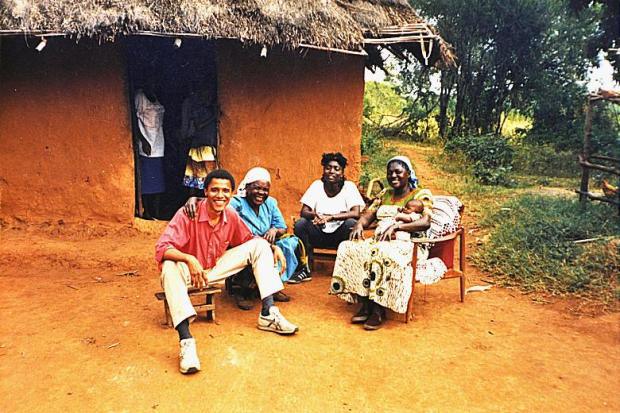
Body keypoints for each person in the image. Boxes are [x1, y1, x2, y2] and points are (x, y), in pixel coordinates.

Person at [155, 169, 299, 375]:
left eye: (225, 191)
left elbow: (249, 240)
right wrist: (189, 258)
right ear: (205, 191)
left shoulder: (230, 215)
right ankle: (186, 342)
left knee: (260, 245)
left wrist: (273, 247)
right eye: (214, 190)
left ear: (232, 194)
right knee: (169, 266)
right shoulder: (189, 213)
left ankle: (268, 313)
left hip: (214, 269)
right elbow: (162, 248)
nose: (220, 195)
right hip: (188, 272)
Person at [330, 155, 444, 331]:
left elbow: (425, 222)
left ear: (408, 173)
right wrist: (359, 225)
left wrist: (399, 227)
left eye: (398, 172)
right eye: (390, 173)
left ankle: (378, 309)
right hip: (382, 240)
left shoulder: (420, 194)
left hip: (411, 244)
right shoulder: (385, 194)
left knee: (382, 254)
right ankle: (364, 301)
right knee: (350, 248)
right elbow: (369, 214)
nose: (393, 176)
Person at [184, 167, 303, 309]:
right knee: (247, 249)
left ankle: (272, 288)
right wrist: (194, 199)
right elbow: (216, 202)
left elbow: (282, 227)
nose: (261, 193)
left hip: (264, 241)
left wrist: (274, 230)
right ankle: (242, 290)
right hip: (243, 242)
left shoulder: (270, 203)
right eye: (256, 188)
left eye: (265, 190)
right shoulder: (237, 203)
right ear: (246, 187)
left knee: (290, 243)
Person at [292, 152, 366, 283]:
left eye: (336, 169)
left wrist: (331, 217)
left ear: (342, 172)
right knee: (301, 224)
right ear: (323, 170)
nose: (331, 171)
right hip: (319, 233)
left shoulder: (349, 187)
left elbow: (356, 213)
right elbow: (304, 212)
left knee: (351, 223)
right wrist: (317, 215)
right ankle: (303, 268)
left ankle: (347, 270)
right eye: (328, 168)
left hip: (340, 236)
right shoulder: (316, 186)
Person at [180, 86, 219, 194]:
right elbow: (198, 125)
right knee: (196, 175)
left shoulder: (209, 108)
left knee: (203, 175)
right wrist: (213, 117)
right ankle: (193, 200)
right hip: (200, 145)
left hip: (207, 145)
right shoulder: (199, 109)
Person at [135, 87, 166, 219]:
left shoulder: (155, 95)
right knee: (147, 181)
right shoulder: (140, 96)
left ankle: (156, 213)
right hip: (147, 144)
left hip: (159, 143)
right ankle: (147, 212)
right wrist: (143, 140)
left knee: (158, 181)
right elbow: (135, 119)